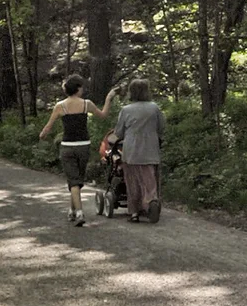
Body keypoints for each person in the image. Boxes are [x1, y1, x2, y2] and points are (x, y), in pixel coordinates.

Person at [39, 74, 108, 226]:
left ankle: (78, 213)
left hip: (67, 146)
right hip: (84, 145)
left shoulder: (60, 106)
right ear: (77, 88)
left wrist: (42, 135)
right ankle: (74, 212)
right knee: (77, 180)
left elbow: (48, 126)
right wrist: (109, 98)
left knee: (73, 181)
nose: (83, 89)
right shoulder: (86, 104)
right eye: (81, 87)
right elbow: (103, 115)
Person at [110, 75, 166, 222]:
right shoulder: (154, 108)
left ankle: (134, 212)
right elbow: (161, 127)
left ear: (131, 92)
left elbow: (119, 132)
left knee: (132, 181)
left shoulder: (126, 110)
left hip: (131, 151)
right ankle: (151, 202)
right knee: (150, 180)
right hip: (150, 150)